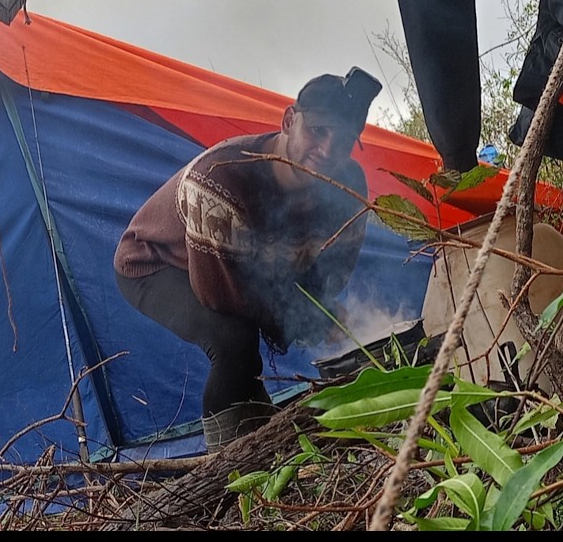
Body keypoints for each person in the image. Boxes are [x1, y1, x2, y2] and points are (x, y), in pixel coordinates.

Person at [113, 68, 383, 452]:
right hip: (157, 262)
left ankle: (259, 441)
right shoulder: (221, 179)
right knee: (233, 341)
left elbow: (332, 270)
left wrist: (328, 311)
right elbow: (220, 294)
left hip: (239, 261)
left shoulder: (348, 185)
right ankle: (226, 466)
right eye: (317, 131)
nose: (327, 152)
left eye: (342, 141)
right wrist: (304, 323)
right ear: (289, 121)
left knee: (276, 334)